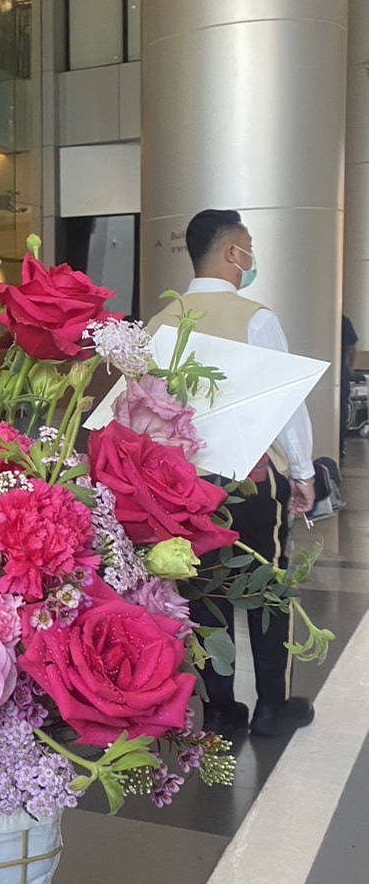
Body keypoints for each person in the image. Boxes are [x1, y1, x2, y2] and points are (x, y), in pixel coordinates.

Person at [148, 209, 316, 738]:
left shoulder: (159, 324)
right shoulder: (255, 319)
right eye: (247, 247)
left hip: (178, 488)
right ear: (230, 253)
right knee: (265, 587)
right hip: (247, 482)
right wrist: (306, 473)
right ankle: (272, 706)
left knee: (204, 592)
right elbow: (285, 405)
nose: (251, 258)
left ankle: (221, 709)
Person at [341, 312, 358, 459]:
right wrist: (351, 367)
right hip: (341, 372)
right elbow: (352, 348)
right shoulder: (344, 321)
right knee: (341, 410)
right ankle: (340, 445)